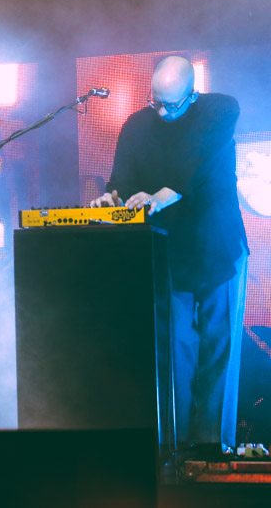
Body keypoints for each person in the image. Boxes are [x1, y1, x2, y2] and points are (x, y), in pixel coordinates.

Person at [90, 55, 248, 455]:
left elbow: (192, 165)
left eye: (170, 104)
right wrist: (113, 198)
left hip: (218, 246)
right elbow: (122, 178)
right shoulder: (137, 124)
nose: (160, 111)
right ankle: (174, 449)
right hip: (170, 250)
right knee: (175, 350)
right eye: (154, 101)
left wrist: (160, 197)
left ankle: (211, 448)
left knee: (218, 349)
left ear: (193, 96)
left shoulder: (218, 112)